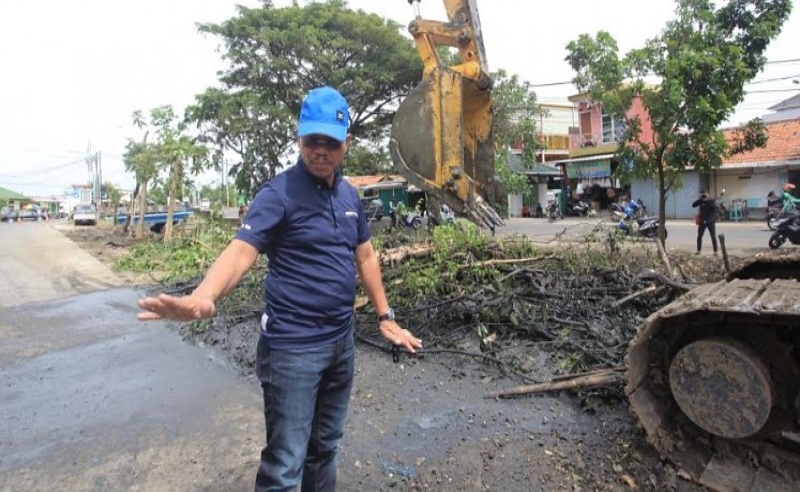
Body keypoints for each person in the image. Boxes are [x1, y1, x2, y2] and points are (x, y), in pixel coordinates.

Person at [136, 86, 423, 492]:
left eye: (331, 143)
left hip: (340, 343)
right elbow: (242, 250)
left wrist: (385, 316)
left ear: (347, 143)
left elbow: (365, 256)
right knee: (285, 465)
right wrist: (204, 296)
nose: (321, 151)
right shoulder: (279, 193)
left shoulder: (348, 195)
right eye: (312, 140)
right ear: (299, 138)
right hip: (292, 350)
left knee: (325, 449)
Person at [692, 190, 718, 255]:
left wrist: (707, 200)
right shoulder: (701, 201)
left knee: (713, 236)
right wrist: (700, 199)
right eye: (703, 195)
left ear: (708, 194)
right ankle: (698, 251)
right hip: (702, 221)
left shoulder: (711, 201)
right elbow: (693, 205)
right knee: (699, 236)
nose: (704, 196)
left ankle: (715, 251)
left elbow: (714, 208)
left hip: (710, 221)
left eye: (705, 195)